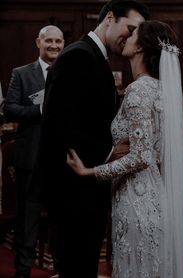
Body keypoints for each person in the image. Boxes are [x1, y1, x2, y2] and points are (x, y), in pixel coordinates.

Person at [30, 1, 149, 277]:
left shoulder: (95, 57)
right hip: (73, 191)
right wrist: (110, 153)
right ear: (109, 17)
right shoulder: (79, 56)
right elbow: (59, 124)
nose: (131, 38)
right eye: (129, 28)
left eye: (136, 34)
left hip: (86, 189)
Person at [67, 20, 183, 278]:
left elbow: (140, 156)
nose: (127, 36)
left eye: (133, 34)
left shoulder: (137, 91)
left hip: (136, 201)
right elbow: (151, 150)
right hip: (156, 196)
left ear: (140, 49)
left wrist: (90, 172)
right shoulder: (162, 91)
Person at [3, 25, 64, 278]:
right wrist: (39, 111)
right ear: (37, 43)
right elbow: (10, 109)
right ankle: (22, 270)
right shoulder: (21, 74)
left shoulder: (69, 72)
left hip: (62, 159)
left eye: (58, 41)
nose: (54, 45)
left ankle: (63, 270)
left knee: (62, 220)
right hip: (30, 157)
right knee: (27, 219)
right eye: (48, 41)